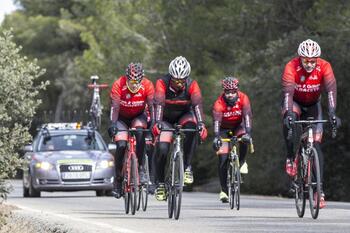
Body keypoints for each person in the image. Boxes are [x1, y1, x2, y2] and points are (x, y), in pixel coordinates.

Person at [281, 39, 340, 208]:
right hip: (295, 103)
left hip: (314, 105)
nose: (309, 64)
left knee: (316, 145)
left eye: (312, 61)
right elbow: (287, 94)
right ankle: (291, 156)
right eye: (306, 60)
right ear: (300, 58)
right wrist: (288, 114)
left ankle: (318, 191)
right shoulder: (291, 67)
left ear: (317, 60)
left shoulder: (325, 66)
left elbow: (330, 91)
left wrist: (332, 113)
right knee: (289, 123)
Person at [152, 56, 208, 201]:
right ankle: (160, 184)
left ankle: (187, 167)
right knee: (162, 148)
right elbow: (158, 103)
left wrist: (201, 124)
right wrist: (157, 122)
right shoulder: (161, 83)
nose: (178, 83)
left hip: (184, 115)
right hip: (165, 118)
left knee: (192, 126)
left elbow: (197, 105)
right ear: (171, 76)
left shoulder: (192, 84)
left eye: (182, 80)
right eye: (176, 79)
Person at [108, 62, 155, 198]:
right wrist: (113, 124)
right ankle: (117, 180)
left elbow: (152, 107)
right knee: (121, 145)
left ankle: (140, 168)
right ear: (126, 78)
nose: (134, 85)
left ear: (142, 79)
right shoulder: (118, 84)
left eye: (137, 82)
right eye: (131, 81)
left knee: (140, 133)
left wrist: (152, 125)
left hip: (138, 116)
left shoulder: (147, 85)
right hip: (121, 117)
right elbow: (115, 107)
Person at [212, 76, 253, 203]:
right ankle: (224, 190)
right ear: (224, 92)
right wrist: (217, 137)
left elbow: (247, 117)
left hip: (239, 126)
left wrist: (248, 133)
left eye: (233, 92)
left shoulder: (243, 98)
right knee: (223, 159)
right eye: (227, 92)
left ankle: (242, 161)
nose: (230, 95)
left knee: (245, 138)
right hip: (223, 129)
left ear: (237, 90)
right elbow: (217, 122)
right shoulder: (219, 103)